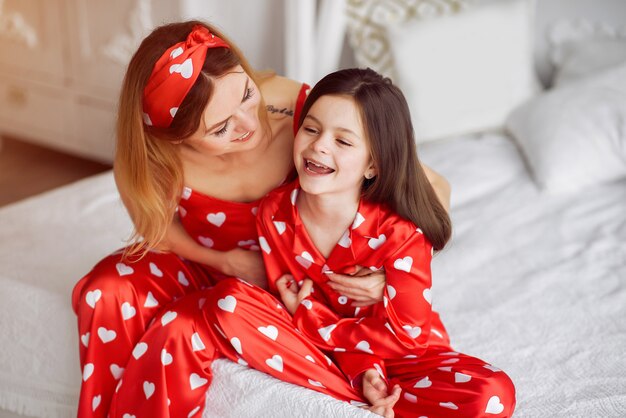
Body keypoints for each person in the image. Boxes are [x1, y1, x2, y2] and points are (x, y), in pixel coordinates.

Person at [71, 21, 451, 417]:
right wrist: (221, 261)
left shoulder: (303, 109)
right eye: (221, 128)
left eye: (247, 94)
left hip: (297, 284)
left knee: (196, 319)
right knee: (105, 289)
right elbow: (157, 227)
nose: (249, 124)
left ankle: (353, 391)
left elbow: (430, 190)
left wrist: (390, 278)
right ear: (176, 138)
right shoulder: (155, 156)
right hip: (214, 265)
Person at [208, 68, 517, 417]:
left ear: (372, 164)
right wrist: (361, 369)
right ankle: (357, 397)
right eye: (311, 129)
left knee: (493, 393)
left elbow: (407, 338)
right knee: (228, 304)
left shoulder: (401, 232)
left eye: (343, 141)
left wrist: (315, 320)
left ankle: (360, 396)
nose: (319, 145)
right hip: (318, 351)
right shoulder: (274, 212)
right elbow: (287, 293)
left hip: (400, 356)